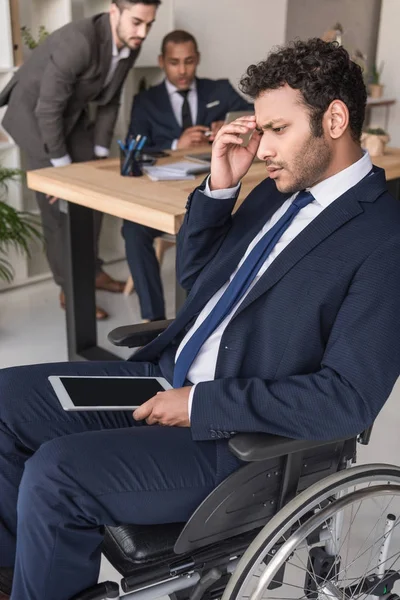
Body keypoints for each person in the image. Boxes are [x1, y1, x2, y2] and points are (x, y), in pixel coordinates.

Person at [1, 38, 400, 599]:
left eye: (278, 129)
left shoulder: (384, 239)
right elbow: (197, 279)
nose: (264, 147)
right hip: (165, 377)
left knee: (55, 474)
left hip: (232, 436)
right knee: (4, 400)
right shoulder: (279, 187)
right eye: (261, 130)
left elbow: (346, 399)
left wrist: (200, 404)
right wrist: (220, 187)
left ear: (335, 119)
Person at [0, 0, 160, 320]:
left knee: (94, 195)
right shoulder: (79, 41)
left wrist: (99, 155)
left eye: (149, 24)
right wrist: (63, 174)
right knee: (59, 207)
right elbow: (48, 110)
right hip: (35, 116)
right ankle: (70, 289)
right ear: (115, 11)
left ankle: (93, 270)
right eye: (136, 22)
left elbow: (110, 101)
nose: (142, 32)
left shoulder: (131, 42)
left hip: (70, 116)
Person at [123, 29, 252, 322]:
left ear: (198, 60)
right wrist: (175, 145)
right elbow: (135, 147)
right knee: (132, 229)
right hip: (163, 192)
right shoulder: (145, 101)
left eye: (189, 61)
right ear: (161, 62)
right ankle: (153, 321)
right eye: (174, 62)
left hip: (213, 189)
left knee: (194, 225)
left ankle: (194, 318)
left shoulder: (218, 90)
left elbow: (253, 115)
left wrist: (228, 128)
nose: (182, 70)